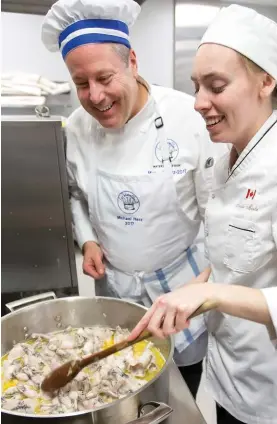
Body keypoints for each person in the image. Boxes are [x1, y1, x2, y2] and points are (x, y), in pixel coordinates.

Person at [128, 5, 277, 424]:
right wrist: (191, 292)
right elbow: (232, 255)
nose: (198, 103)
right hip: (224, 361)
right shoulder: (219, 157)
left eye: (215, 86)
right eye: (196, 86)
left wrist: (211, 296)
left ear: (266, 81)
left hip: (266, 380)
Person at [41, 0, 227, 397]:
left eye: (105, 77)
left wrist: (205, 284)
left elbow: (220, 214)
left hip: (180, 285)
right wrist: (88, 237)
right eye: (80, 83)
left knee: (178, 390)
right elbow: (75, 193)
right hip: (115, 287)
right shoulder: (76, 127)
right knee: (117, 384)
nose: (95, 96)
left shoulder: (188, 118)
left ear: (133, 62)